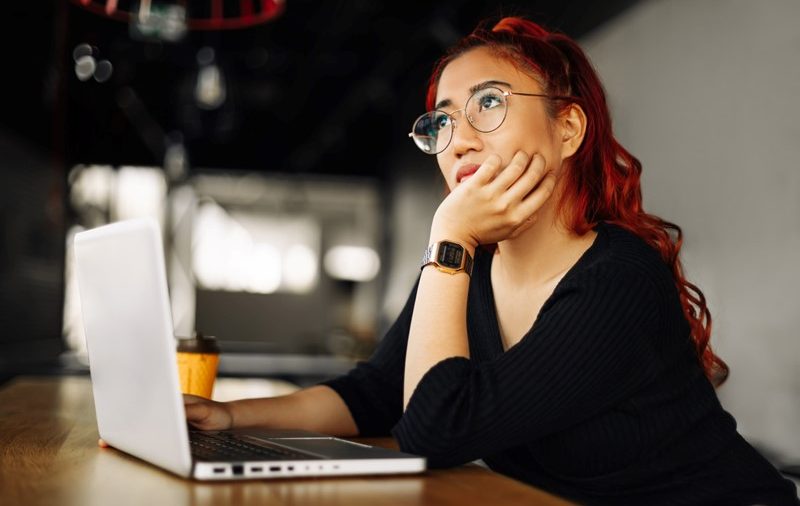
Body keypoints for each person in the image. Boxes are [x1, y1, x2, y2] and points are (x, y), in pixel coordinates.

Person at [182, 16, 799, 506]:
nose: (462, 138)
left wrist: (448, 235)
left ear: (568, 130)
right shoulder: (469, 271)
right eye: (443, 121)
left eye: (489, 104)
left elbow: (435, 428)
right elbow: (377, 393)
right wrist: (229, 416)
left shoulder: (619, 278)